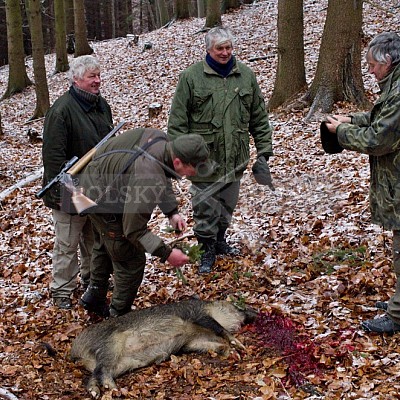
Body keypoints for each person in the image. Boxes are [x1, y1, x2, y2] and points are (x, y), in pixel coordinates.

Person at [167, 26, 274, 274]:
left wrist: (264, 151)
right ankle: (206, 251)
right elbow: (177, 122)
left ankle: (220, 241)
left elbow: (258, 117)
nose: (225, 53)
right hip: (203, 161)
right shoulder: (191, 77)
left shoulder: (245, 76)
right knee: (205, 208)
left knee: (227, 206)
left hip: (235, 157)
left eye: (228, 48)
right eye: (220, 49)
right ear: (208, 49)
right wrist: (181, 157)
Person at [77, 128, 211, 317]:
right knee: (130, 258)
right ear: (178, 161)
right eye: (193, 169)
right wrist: (167, 253)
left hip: (93, 184)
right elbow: (133, 231)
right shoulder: (148, 176)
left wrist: (171, 212)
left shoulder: (160, 141)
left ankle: (94, 295)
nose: (193, 174)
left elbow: (162, 174)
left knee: (105, 240)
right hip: (95, 197)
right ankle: (118, 318)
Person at [325, 32, 400, 333]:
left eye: (372, 65)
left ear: (389, 61)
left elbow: (379, 139)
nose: (369, 71)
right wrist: (351, 120)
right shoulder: (393, 87)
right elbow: (380, 118)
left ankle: (397, 315)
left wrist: (340, 135)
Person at [41, 55, 113, 309]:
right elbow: (52, 158)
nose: (97, 81)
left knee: (93, 241)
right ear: (76, 79)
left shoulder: (101, 105)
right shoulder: (61, 111)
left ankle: (91, 280)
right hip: (67, 189)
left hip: (96, 188)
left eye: (98, 75)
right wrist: (66, 194)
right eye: (91, 76)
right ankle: (62, 290)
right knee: (67, 244)